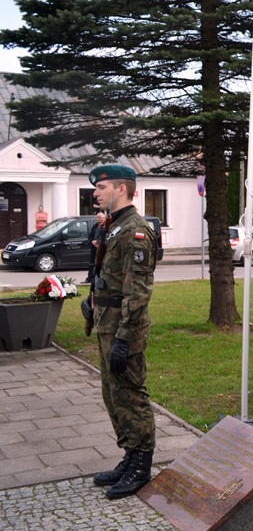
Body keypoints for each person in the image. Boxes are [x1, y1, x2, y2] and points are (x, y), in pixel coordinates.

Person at [81, 165, 158, 500]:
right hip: (106, 322)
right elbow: (108, 274)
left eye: (101, 187)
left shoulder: (135, 230)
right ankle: (129, 455)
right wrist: (93, 299)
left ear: (122, 189)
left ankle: (142, 465)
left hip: (123, 327)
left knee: (131, 394)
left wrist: (125, 339)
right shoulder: (115, 227)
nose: (96, 193)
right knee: (112, 394)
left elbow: (138, 291)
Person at [84, 210, 107, 286]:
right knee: (91, 263)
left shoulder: (105, 226)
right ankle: (89, 278)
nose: (97, 219)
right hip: (93, 247)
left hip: (101, 247)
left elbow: (104, 236)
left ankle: (97, 278)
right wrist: (92, 241)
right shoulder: (95, 226)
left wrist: (98, 242)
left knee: (99, 263)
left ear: (103, 218)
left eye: (99, 217)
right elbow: (90, 236)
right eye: (97, 217)